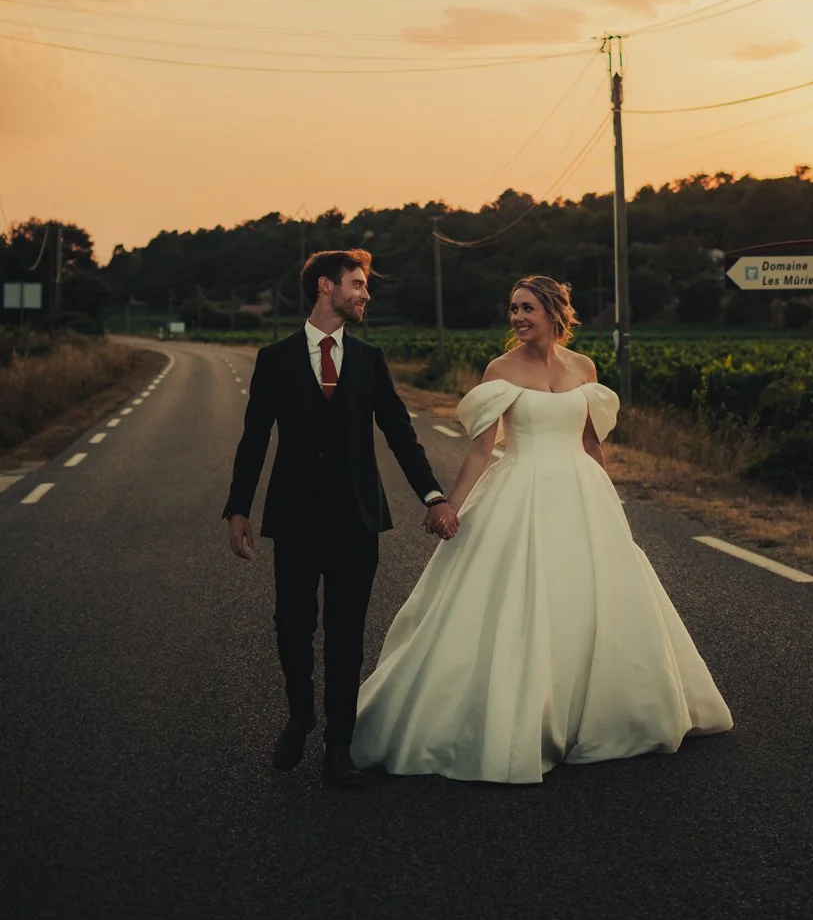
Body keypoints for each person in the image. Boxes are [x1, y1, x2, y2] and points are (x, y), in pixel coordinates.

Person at [351, 275, 733, 784]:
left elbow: (592, 446)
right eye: (513, 309)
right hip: (520, 487)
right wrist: (449, 505)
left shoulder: (584, 367)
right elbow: (481, 450)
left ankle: (601, 716)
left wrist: (609, 502)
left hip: (581, 493)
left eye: (527, 308)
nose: (517, 318)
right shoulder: (500, 369)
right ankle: (524, 716)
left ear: (554, 312)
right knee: (521, 598)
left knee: (590, 599)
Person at [222, 249, 454, 790]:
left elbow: (399, 433)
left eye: (365, 286)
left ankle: (339, 747)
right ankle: (300, 715)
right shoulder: (275, 359)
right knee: (293, 625)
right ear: (326, 286)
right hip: (296, 517)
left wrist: (433, 495)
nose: (365, 294)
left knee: (347, 633)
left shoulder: (369, 359)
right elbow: (254, 439)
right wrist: (238, 508)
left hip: (357, 518)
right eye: (357, 284)